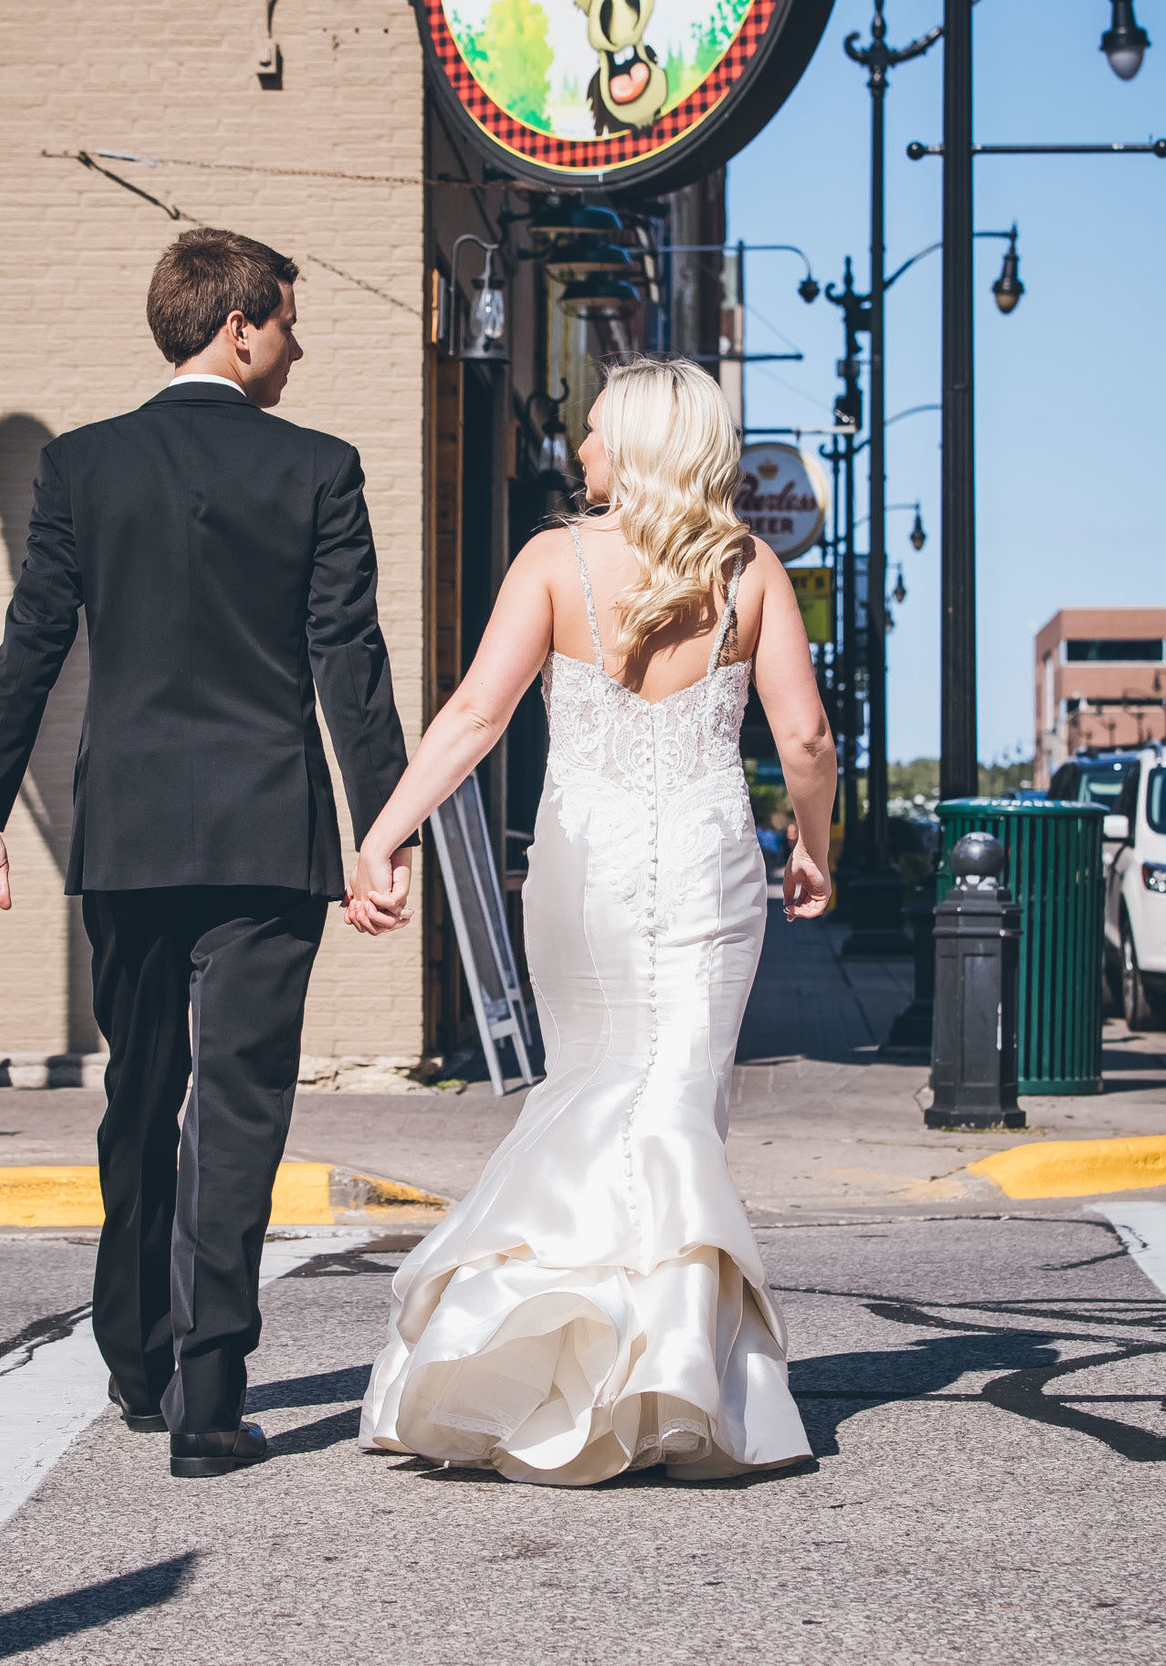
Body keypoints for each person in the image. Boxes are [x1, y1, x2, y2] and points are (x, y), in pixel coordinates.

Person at [0, 227, 409, 1479]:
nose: (299, 346)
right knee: (239, 1111)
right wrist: (384, 824)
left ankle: (136, 1361)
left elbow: (29, 643)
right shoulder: (320, 469)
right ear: (241, 324)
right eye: (290, 323)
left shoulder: (83, 467)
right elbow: (347, 661)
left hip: (131, 832)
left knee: (141, 1098)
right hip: (267, 835)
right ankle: (210, 1404)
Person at [346, 356, 837, 1486]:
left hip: (582, 865)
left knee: (593, 1086)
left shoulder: (552, 563)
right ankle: (668, 1375)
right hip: (711, 867)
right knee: (671, 1100)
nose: (579, 450)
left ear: (643, 444)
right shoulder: (749, 567)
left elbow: (475, 714)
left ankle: (538, 1352)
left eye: (598, 430)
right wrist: (815, 843)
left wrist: (386, 832)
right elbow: (803, 740)